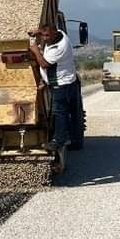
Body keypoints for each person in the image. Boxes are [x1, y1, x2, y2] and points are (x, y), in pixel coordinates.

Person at [28, 22, 84, 152]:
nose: (45, 38)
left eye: (47, 36)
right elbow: (46, 32)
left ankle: (58, 141)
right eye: (43, 35)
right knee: (74, 113)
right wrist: (38, 32)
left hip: (62, 84)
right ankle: (75, 141)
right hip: (69, 81)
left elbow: (44, 64)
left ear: (54, 33)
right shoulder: (60, 33)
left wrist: (36, 50)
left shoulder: (60, 47)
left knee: (60, 113)